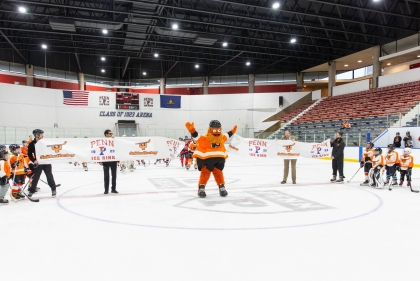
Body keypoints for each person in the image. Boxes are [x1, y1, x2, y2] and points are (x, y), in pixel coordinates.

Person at [185, 120, 237, 197]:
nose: (217, 132)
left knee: (218, 173)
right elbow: (197, 136)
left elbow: (227, 135)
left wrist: (232, 131)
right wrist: (192, 131)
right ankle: (201, 188)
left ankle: (221, 187)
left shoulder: (221, 138)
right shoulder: (205, 139)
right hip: (206, 160)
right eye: (215, 130)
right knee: (205, 172)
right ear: (210, 129)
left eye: (218, 130)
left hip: (218, 160)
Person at [28, 129, 58, 198]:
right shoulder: (32, 144)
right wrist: (34, 160)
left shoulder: (45, 142)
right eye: (41, 134)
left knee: (49, 176)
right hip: (38, 163)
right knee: (36, 178)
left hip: (47, 162)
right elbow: (29, 154)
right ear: (37, 135)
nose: (43, 136)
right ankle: (32, 190)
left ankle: (53, 189)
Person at [99, 129, 118, 194]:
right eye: (110, 134)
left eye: (111, 133)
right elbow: (99, 151)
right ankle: (106, 189)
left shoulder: (114, 141)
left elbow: (118, 148)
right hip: (105, 160)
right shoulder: (102, 141)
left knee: (114, 175)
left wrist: (118, 158)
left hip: (113, 160)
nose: (111, 135)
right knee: (106, 176)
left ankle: (113, 189)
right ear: (106, 134)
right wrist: (99, 160)